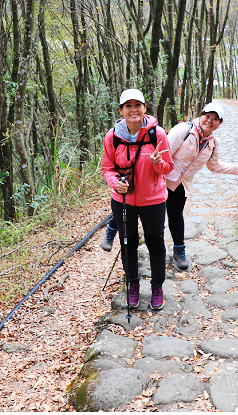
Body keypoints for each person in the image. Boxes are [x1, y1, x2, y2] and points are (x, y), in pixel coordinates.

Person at [102, 89, 174, 311]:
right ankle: (132, 284)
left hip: (153, 199)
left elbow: (168, 167)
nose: (133, 109)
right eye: (128, 105)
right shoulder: (112, 137)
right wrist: (116, 183)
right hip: (123, 200)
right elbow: (108, 168)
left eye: (137, 105)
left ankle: (157, 287)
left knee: (155, 242)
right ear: (121, 110)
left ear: (144, 108)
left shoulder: (157, 134)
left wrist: (156, 163)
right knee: (128, 243)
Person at [165, 101, 238, 270]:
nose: (210, 121)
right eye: (207, 116)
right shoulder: (183, 130)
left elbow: (214, 166)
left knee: (176, 217)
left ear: (219, 123)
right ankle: (157, 252)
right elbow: (163, 153)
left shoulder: (213, 143)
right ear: (200, 115)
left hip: (181, 186)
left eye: (215, 119)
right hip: (162, 181)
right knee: (155, 219)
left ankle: (179, 252)